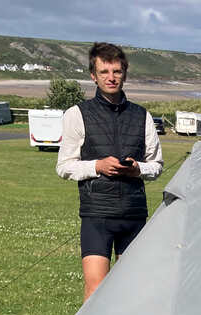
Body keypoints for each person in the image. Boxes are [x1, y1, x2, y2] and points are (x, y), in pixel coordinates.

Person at [56, 42, 163, 301]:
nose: (111, 77)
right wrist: (97, 166)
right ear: (93, 75)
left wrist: (138, 169)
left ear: (125, 73)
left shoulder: (142, 116)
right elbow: (64, 166)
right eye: (104, 72)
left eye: (116, 71)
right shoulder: (77, 114)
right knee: (95, 290)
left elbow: (156, 165)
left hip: (134, 215)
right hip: (97, 216)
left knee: (132, 291)